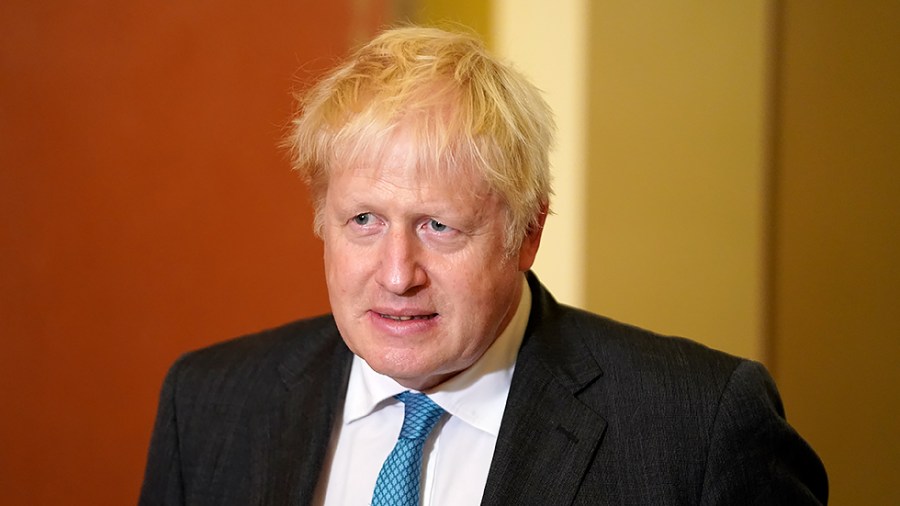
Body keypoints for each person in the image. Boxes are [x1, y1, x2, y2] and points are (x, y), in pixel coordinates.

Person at [139, 26, 828, 505]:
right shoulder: (208, 406)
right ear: (322, 220)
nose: (397, 273)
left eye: (439, 227)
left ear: (527, 233)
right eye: (363, 222)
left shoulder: (695, 428)